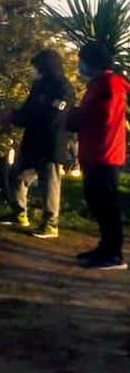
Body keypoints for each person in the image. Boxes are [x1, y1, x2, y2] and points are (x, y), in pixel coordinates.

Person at [0, 50, 74, 239]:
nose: (34, 71)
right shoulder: (39, 85)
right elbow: (28, 110)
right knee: (18, 176)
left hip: (51, 142)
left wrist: (22, 118)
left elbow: (53, 117)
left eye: (37, 67)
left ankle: (50, 224)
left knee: (49, 184)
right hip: (32, 141)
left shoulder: (63, 87)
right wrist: (13, 116)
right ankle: (19, 213)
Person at [68, 43, 129, 270]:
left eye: (82, 60)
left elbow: (103, 117)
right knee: (97, 201)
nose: (79, 65)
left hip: (105, 153)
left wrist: (76, 118)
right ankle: (105, 247)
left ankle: (113, 254)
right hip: (95, 152)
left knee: (106, 204)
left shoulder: (110, 85)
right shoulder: (100, 84)